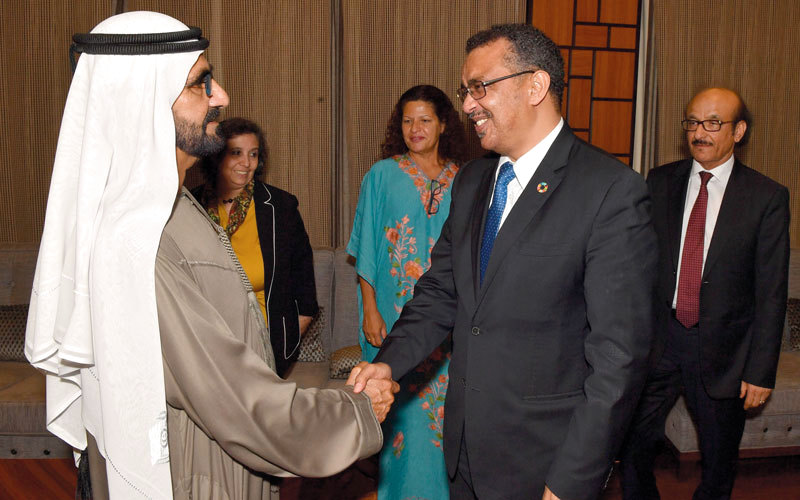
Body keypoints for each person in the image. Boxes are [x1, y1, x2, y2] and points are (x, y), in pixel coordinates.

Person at [24, 11, 396, 499]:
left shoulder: (169, 208)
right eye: (200, 83)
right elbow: (232, 397)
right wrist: (355, 410)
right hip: (194, 472)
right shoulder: (141, 237)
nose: (220, 96)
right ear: (144, 100)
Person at [349, 23, 657, 500]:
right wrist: (388, 364)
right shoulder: (473, 180)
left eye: (480, 87)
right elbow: (440, 292)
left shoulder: (610, 191)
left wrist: (572, 480)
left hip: (543, 462)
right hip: (463, 453)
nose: (468, 105)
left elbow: (618, 360)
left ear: (535, 86)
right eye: (465, 91)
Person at [620, 87, 790, 500]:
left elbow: (771, 290)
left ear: (739, 131)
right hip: (660, 342)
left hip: (723, 352)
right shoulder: (660, 181)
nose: (700, 132)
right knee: (632, 445)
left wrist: (760, 370)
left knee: (718, 462)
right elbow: (637, 262)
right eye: (693, 122)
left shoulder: (766, 197)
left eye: (713, 123)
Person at [347, 84, 466, 500]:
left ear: (444, 124)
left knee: (446, 421)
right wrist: (370, 309)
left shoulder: (465, 179)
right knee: (403, 420)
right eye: (407, 121)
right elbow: (365, 247)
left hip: (448, 323)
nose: (415, 128)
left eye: (425, 120)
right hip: (392, 317)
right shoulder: (381, 175)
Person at [194, 117, 319, 377]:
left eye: (253, 154)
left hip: (264, 342)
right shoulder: (190, 205)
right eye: (236, 153)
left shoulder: (280, 206)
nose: (246, 163)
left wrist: (295, 328)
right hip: (205, 339)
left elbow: (303, 273)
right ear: (216, 157)